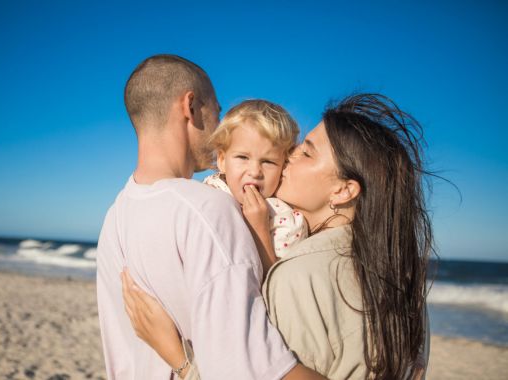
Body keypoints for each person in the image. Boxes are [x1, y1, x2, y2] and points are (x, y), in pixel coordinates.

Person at [122, 93, 432, 379]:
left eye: (306, 153)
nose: (289, 158)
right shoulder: (402, 281)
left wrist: (178, 359)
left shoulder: (297, 275)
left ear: (342, 190)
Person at [97, 54, 326, 379]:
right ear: (190, 107)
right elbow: (260, 371)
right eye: (217, 111)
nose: (220, 125)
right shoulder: (211, 210)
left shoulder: (114, 216)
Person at [201, 99, 307, 274]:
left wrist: (259, 228)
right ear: (222, 161)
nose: (255, 171)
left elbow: (274, 283)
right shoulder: (210, 187)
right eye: (243, 157)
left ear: (284, 166)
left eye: (268, 162)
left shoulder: (284, 219)